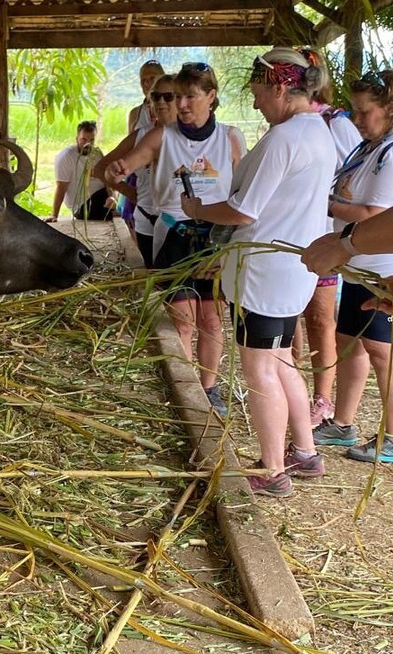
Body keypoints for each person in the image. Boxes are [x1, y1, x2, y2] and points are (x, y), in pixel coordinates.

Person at [181, 47, 333, 496]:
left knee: (259, 370)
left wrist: (197, 209)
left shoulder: (286, 138)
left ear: (282, 86)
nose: (254, 102)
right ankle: (304, 452)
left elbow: (244, 211)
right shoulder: (315, 131)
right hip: (291, 269)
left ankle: (271, 470)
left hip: (266, 275)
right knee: (281, 359)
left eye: (259, 91)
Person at [105, 63, 244, 415]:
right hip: (174, 233)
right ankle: (185, 390)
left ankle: (209, 388)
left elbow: (242, 188)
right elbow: (129, 163)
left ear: (211, 97)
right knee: (181, 318)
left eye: (190, 96)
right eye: (177, 96)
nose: (181, 104)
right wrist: (119, 170)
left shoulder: (229, 137)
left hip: (215, 237)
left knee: (211, 319)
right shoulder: (162, 136)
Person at [311, 69, 393, 463]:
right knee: (349, 343)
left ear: (390, 109)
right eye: (353, 111)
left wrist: (330, 206)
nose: (356, 120)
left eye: (364, 111)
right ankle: (343, 422)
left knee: (385, 351)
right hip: (359, 265)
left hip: (388, 270)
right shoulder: (374, 146)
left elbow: (376, 212)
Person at [291, 60, 364, 426]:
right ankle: (293, 390)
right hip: (291, 235)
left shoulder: (338, 123)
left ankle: (322, 399)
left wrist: (330, 200)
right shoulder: (290, 123)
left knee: (320, 319)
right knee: (289, 318)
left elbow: (352, 172)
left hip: (323, 234)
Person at [95, 74, 178, 268]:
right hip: (148, 219)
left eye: (168, 96)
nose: (160, 102)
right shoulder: (141, 136)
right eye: (155, 97)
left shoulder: (194, 136)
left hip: (183, 224)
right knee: (155, 279)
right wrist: (131, 193)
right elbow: (100, 169)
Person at [121, 59, 166, 237]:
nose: (147, 83)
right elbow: (128, 146)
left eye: (152, 78)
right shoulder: (136, 113)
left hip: (165, 178)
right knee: (134, 221)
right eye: (143, 80)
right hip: (139, 175)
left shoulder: (175, 109)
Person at [52, 121, 114, 222]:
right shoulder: (66, 157)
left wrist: (112, 197)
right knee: (112, 212)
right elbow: (61, 187)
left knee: (125, 197)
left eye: (91, 140)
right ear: (76, 139)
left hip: (102, 195)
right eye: (83, 140)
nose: (87, 144)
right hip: (82, 205)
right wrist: (54, 215)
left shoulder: (97, 153)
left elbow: (106, 179)